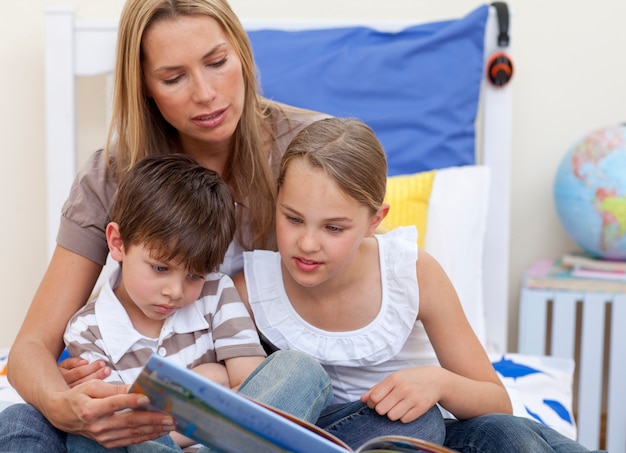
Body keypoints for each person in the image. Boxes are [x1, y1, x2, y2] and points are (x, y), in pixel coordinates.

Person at [0, 0, 329, 450]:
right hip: (147, 411)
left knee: (405, 421)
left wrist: (210, 371)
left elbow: (362, 291)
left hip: (261, 394)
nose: (206, 93)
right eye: (174, 78)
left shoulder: (312, 151)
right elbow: (30, 348)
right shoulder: (111, 176)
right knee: (21, 422)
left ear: (243, 54)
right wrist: (71, 407)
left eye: (217, 63)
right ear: (145, 86)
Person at [232, 117, 606, 453]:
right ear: (277, 201)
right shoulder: (251, 290)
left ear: (375, 220)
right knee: (416, 425)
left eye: (334, 228)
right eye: (293, 218)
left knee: (510, 434)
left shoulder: (410, 272)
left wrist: (438, 383)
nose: (308, 243)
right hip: (336, 436)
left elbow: (496, 400)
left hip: (424, 435)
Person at [63, 153, 269, 451]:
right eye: (160, 268)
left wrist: (164, 424)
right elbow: (118, 424)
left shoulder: (216, 293)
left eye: (194, 275)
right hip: (145, 448)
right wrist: (212, 377)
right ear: (118, 243)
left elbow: (258, 393)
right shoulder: (87, 329)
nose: (175, 291)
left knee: (296, 371)